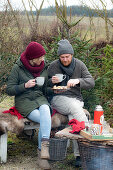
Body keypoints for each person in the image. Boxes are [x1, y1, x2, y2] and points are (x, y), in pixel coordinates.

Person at [47, 39, 95, 166]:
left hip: (76, 100)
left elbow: (91, 82)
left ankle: (79, 156)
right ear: (59, 57)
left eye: (67, 56)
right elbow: (45, 86)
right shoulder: (53, 66)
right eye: (62, 57)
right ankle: (89, 134)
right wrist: (51, 81)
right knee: (75, 108)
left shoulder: (79, 65)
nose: (65, 59)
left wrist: (78, 81)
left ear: (72, 55)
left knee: (74, 117)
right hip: (58, 99)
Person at [6, 41, 51, 170]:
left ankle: (42, 151)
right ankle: (42, 156)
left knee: (46, 110)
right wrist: (24, 86)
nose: (43, 59)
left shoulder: (44, 67)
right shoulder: (18, 68)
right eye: (40, 57)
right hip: (24, 101)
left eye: (43, 57)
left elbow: (45, 89)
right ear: (32, 58)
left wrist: (54, 88)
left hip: (39, 98)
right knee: (45, 118)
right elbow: (9, 89)